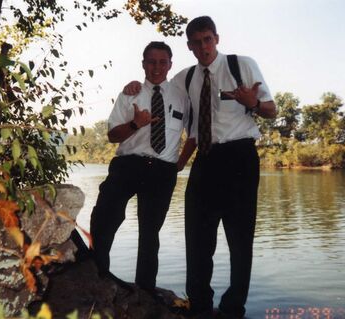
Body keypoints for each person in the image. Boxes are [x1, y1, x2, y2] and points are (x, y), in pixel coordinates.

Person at [123, 16, 277, 319]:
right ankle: (200, 305)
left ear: (216, 39)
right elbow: (159, 86)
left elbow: (272, 110)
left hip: (240, 158)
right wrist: (134, 85)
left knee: (240, 238)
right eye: (197, 42)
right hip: (205, 160)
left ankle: (233, 309)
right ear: (190, 46)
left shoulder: (241, 65)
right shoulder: (186, 77)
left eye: (208, 39)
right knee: (196, 236)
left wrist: (254, 104)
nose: (203, 46)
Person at [90, 41, 190, 296]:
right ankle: (98, 276)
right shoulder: (129, 93)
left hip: (162, 171)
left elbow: (195, 135)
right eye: (151, 61)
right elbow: (112, 135)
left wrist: (180, 163)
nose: (156, 67)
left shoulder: (182, 97)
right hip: (128, 165)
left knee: (150, 232)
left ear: (170, 65)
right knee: (105, 218)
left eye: (162, 62)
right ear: (143, 63)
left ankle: (145, 291)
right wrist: (135, 124)